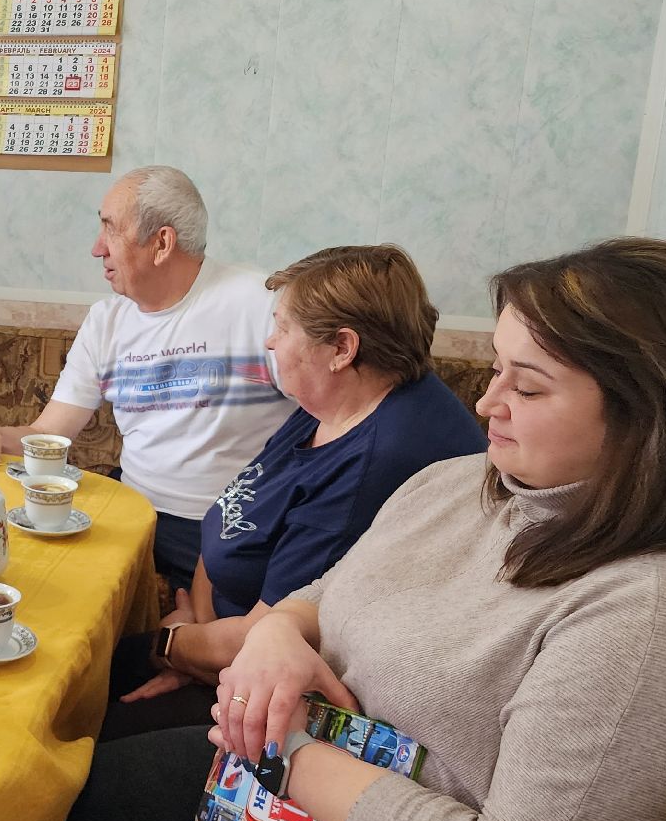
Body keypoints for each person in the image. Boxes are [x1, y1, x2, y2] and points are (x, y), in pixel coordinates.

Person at [10, 239, 666, 821]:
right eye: (497, 370)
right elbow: (331, 586)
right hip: (312, 797)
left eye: (526, 387)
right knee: (44, 809)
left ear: (646, 415)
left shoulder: (658, 618)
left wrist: (284, 747)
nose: (488, 403)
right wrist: (281, 633)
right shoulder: (476, 485)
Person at [102, 245, 486, 741]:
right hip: (215, 641)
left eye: (283, 328)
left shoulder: (376, 462)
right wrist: (196, 629)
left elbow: (264, 637)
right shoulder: (334, 399)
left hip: (282, 694)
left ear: (342, 349)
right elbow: (235, 507)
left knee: (87, 709)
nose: (269, 340)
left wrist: (173, 645)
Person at [0, 166, 296, 593]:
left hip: (227, 525)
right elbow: (48, 433)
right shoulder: (106, 321)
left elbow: (326, 419)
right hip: (132, 512)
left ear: (162, 243)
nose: (96, 249)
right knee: (36, 583)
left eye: (110, 230)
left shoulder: (261, 304)